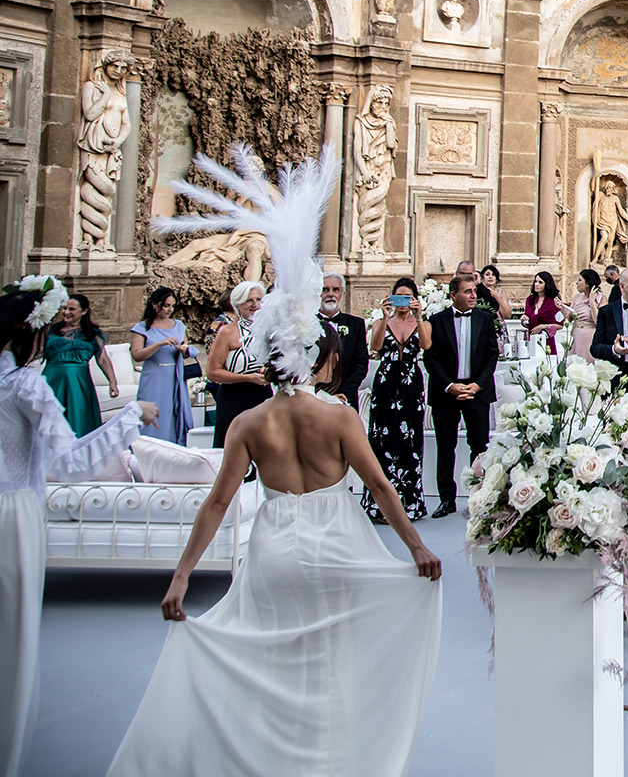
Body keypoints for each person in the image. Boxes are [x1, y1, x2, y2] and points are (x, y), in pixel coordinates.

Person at [107, 326, 442, 777]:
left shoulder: (248, 423)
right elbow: (380, 486)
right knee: (332, 660)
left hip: (274, 551)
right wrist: (416, 547)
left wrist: (182, 574)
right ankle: (328, 760)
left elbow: (218, 502)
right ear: (321, 362)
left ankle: (274, 761)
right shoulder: (340, 418)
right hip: (336, 546)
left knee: (274, 661)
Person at [0, 277, 155, 777]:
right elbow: (70, 462)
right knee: (13, 639)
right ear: (34, 332)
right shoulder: (24, 384)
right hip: (14, 515)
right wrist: (131, 416)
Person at [425, 273, 498, 518]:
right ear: (453, 295)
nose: (473, 295)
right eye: (467, 291)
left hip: (477, 392)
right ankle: (446, 499)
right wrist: (449, 386)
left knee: (479, 446)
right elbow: (431, 358)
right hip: (447, 392)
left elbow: (491, 356)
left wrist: (477, 385)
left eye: (474, 291)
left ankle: (480, 498)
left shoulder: (485, 319)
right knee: (446, 447)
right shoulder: (437, 320)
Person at [362, 278, 429, 522]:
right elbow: (376, 347)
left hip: (411, 384)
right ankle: (379, 504)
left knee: (410, 440)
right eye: (398, 297)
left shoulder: (421, 322)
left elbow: (426, 344)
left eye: (407, 297)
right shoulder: (382, 322)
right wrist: (384, 316)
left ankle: (410, 502)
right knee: (381, 439)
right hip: (386, 382)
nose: (403, 303)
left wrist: (419, 316)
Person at [206, 281, 270, 447]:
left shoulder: (273, 330)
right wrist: (248, 378)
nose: (255, 305)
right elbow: (212, 372)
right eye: (249, 301)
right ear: (237, 304)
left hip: (267, 398)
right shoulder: (227, 332)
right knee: (231, 448)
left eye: (259, 300)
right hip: (235, 397)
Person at [41, 293, 111, 437]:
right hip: (53, 380)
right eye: (64, 308)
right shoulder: (51, 331)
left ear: (83, 311)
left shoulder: (93, 334)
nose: (66, 312)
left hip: (79, 382)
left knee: (79, 418)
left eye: (71, 309)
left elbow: (102, 359)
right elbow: (37, 352)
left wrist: (113, 382)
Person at [130, 288, 193, 444]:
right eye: (166, 305)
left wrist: (184, 350)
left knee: (172, 413)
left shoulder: (179, 325)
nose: (169, 309)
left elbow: (185, 348)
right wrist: (158, 344)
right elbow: (136, 355)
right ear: (154, 304)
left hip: (174, 377)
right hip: (153, 377)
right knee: (152, 413)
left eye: (172, 306)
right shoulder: (142, 327)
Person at [317, 273, 368, 405]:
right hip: (313, 399)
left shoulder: (356, 325)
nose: (330, 294)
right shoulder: (306, 325)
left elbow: (361, 364)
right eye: (325, 290)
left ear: (343, 294)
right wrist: (318, 394)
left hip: (346, 398)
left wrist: (344, 392)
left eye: (336, 290)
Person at [520, 271, 564, 352]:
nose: (536, 284)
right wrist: (523, 318)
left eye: (540, 282)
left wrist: (544, 326)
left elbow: (560, 325)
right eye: (535, 281)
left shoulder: (554, 301)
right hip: (531, 339)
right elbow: (527, 320)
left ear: (546, 284)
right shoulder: (530, 300)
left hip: (546, 340)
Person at [568, 267, 605, 359]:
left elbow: (599, 322)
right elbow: (569, 318)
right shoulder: (577, 297)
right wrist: (562, 307)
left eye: (580, 280)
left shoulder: (601, 298)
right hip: (576, 335)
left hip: (590, 336)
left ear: (587, 283)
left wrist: (592, 302)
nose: (577, 283)